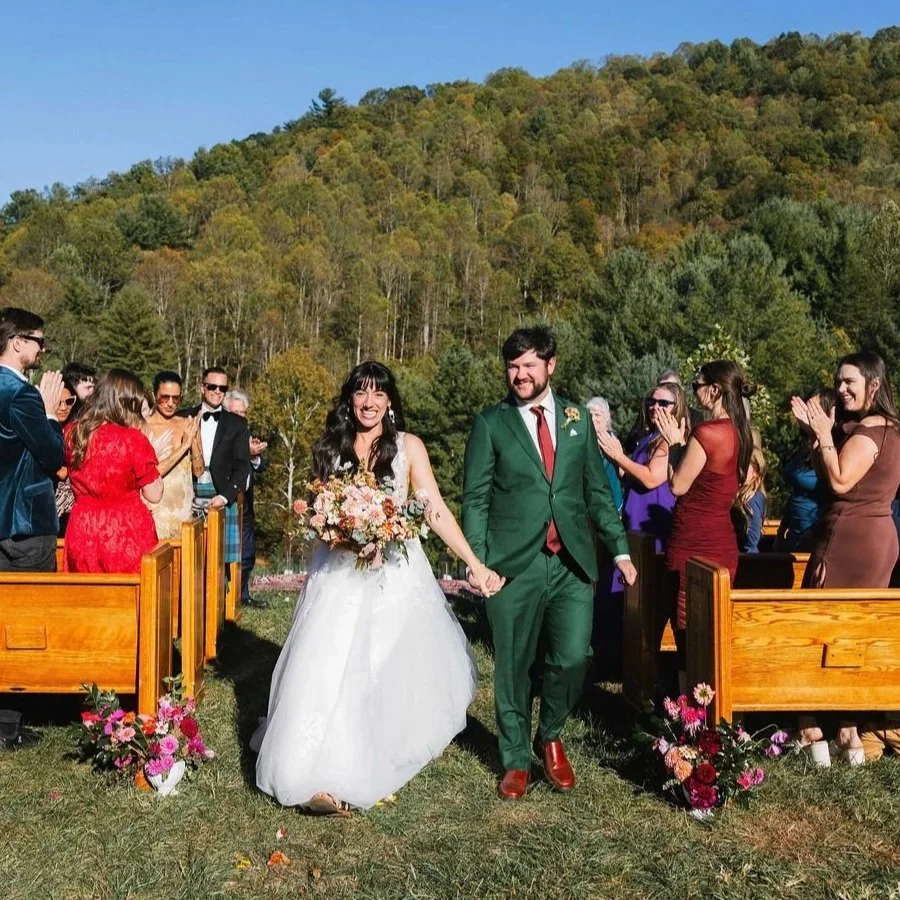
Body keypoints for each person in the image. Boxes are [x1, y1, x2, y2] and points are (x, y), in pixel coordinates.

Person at [253, 361, 502, 815]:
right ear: (350, 399)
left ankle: (367, 754)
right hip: (339, 574)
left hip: (394, 574)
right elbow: (321, 514)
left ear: (390, 402)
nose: (369, 402)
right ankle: (310, 769)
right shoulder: (332, 446)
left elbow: (434, 510)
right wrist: (348, 536)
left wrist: (474, 563)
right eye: (361, 393)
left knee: (381, 666)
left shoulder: (409, 447)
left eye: (378, 394)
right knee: (325, 665)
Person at [462, 326, 636, 800]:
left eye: (529, 365)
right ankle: (516, 759)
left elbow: (597, 493)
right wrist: (479, 563)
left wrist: (618, 550)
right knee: (513, 665)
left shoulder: (578, 420)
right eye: (513, 366)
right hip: (511, 565)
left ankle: (551, 733)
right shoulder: (491, 424)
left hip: (573, 563)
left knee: (575, 655)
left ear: (551, 365)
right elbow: (475, 498)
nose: (519, 374)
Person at [791, 351, 900, 761]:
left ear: (874, 384)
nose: (840, 389)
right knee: (854, 638)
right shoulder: (890, 429)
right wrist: (816, 434)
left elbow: (837, 481)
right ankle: (849, 733)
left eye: (849, 381)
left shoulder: (869, 431)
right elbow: (831, 471)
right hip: (877, 540)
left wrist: (823, 433)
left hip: (848, 540)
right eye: (838, 381)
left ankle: (811, 728)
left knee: (818, 630)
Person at [654, 360, 754, 685]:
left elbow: (678, 486)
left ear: (713, 390)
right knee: (713, 635)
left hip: (692, 543)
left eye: (696, 385)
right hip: (723, 543)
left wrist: (672, 443)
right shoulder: (741, 432)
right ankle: (710, 715)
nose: (694, 391)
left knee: (687, 635)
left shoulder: (707, 432)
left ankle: (690, 720)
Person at [65, 369, 163, 573]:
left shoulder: (73, 433)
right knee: (131, 599)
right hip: (125, 531)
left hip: (83, 529)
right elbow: (154, 494)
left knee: (86, 598)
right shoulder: (133, 439)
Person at [0, 307, 65, 571]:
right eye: (39, 341)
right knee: (36, 608)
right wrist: (50, 414)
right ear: (17, 342)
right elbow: (52, 455)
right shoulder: (21, 394)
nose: (43, 349)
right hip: (25, 523)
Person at [597, 383, 687, 551]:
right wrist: (615, 458)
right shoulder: (649, 437)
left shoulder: (669, 440)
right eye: (651, 402)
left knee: (646, 570)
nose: (655, 407)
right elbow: (630, 476)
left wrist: (619, 456)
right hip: (634, 514)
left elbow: (651, 479)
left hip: (652, 518)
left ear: (677, 407)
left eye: (663, 404)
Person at [181, 367, 250, 574]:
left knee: (218, 563)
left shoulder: (237, 424)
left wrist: (225, 496)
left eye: (223, 388)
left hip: (221, 493)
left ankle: (218, 601)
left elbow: (242, 466)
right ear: (202, 387)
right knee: (188, 556)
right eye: (212, 386)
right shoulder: (183, 417)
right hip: (188, 491)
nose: (218, 391)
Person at [775, 388, 837, 552]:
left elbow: (834, 499)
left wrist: (814, 533)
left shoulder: (833, 451)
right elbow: (796, 492)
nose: (807, 414)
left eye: (814, 410)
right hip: (794, 536)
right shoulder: (804, 449)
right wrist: (782, 529)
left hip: (815, 539)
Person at [143, 371, 202, 540]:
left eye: (176, 399)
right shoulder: (143, 427)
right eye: (165, 397)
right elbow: (149, 475)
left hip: (184, 514)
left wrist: (195, 441)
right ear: (155, 396)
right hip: (156, 514)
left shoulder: (186, 424)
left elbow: (198, 472)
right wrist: (184, 446)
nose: (170, 403)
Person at [223, 388, 268, 609]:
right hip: (227, 503)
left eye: (243, 413)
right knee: (226, 554)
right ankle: (227, 597)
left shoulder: (247, 433)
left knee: (248, 554)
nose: (241, 417)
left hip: (246, 505)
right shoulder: (221, 434)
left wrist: (255, 457)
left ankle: (243, 594)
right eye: (236, 413)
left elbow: (261, 466)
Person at [53, 375, 81, 535]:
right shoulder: (39, 429)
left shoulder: (79, 430)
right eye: (58, 402)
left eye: (69, 401)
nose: (64, 407)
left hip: (75, 507)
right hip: (47, 507)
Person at [585, 397, 623, 511]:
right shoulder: (583, 439)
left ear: (606, 419)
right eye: (590, 414)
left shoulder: (612, 440)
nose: (593, 418)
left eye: (597, 414)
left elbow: (622, 469)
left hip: (609, 499)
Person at [735, 428, 767, 553]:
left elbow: (752, 539)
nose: (739, 471)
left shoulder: (752, 499)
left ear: (755, 471)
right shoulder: (743, 496)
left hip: (747, 557)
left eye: (744, 466)